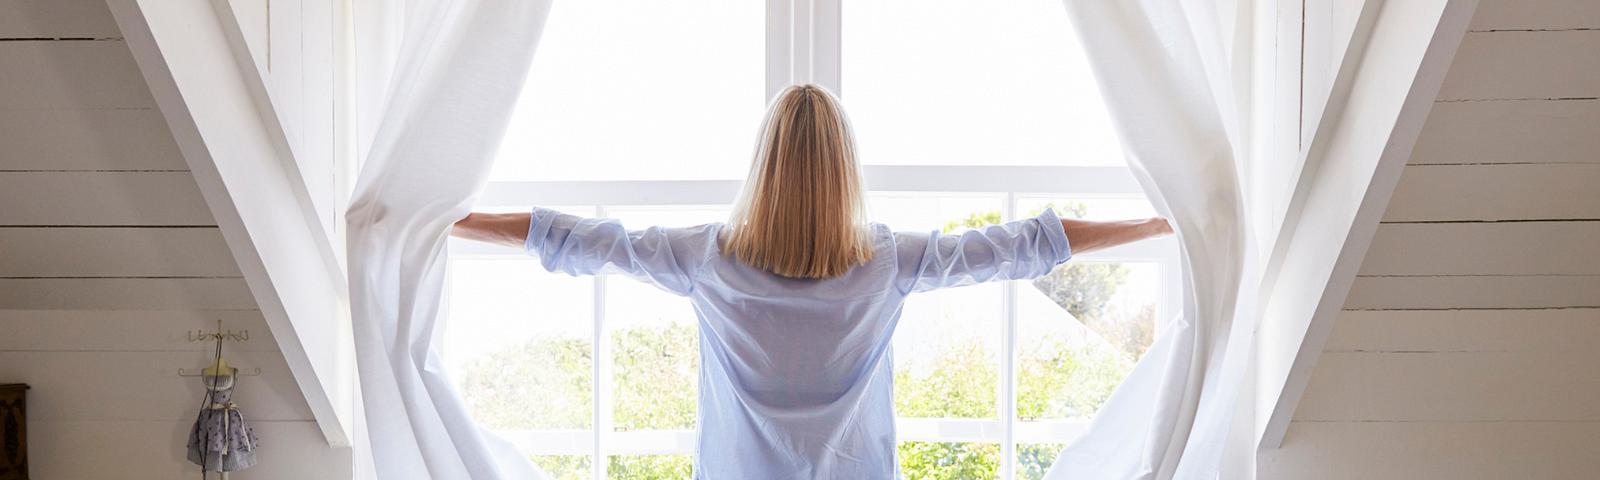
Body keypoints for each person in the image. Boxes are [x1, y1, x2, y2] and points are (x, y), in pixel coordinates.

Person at [451, 84, 1172, 479]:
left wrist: (449, 219)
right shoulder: (889, 260)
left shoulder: (706, 258)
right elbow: (1023, 246)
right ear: (844, 174)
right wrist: (1155, 225)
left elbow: (576, 240)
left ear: (761, 169)